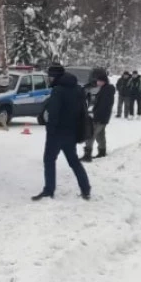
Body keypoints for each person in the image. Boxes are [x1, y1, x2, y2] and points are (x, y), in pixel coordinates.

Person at [32, 64, 91, 201]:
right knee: (74, 161)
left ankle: (49, 190)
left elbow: (54, 113)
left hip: (57, 132)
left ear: (54, 77)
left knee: (49, 160)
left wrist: (50, 129)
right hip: (71, 132)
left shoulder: (58, 90)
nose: (49, 79)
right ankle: (85, 188)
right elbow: (83, 110)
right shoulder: (77, 89)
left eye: (50, 77)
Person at [82, 69, 115, 161]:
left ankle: (87, 155)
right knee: (100, 135)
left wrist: (96, 116)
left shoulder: (107, 91)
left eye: (99, 81)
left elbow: (104, 106)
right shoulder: (105, 89)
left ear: (104, 81)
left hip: (100, 117)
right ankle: (102, 152)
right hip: (102, 117)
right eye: (97, 80)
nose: (97, 82)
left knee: (91, 134)